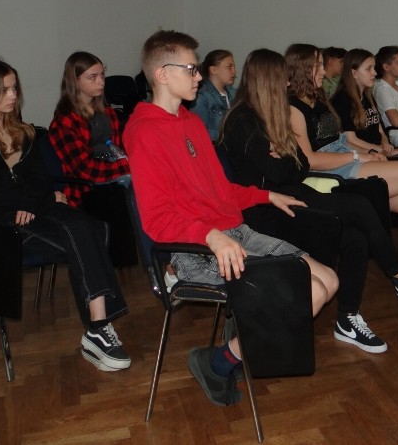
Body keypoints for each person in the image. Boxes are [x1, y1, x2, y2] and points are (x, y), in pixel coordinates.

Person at [124, 30, 338, 406]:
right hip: (194, 248)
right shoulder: (143, 132)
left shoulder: (189, 123)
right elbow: (156, 220)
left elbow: (219, 190)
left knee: (328, 280)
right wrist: (210, 236)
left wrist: (263, 194)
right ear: (161, 75)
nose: (198, 76)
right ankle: (218, 362)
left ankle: (230, 355)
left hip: (232, 232)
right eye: (191, 69)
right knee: (310, 291)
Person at [221, 49, 398, 353]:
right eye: (281, 78)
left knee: (356, 234)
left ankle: (348, 318)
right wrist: (285, 159)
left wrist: (283, 156)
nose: (286, 84)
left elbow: (297, 164)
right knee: (360, 207)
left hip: (291, 194)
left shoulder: (269, 113)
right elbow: (282, 169)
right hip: (267, 209)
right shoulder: (243, 120)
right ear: (268, 80)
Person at [0, 56, 130, 372]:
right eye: (5, 90)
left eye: (14, 88)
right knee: (84, 234)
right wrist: (38, 199)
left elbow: (40, 180)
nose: (13, 95)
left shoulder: (24, 132)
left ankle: (98, 327)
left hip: (33, 212)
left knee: (90, 226)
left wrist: (36, 201)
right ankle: (98, 330)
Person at [285, 43, 398, 263]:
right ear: (303, 69)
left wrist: (368, 152)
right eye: (319, 65)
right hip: (332, 173)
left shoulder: (318, 99)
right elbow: (309, 160)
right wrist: (357, 155)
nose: (325, 71)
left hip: (345, 160)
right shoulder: (293, 108)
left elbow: (343, 139)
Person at [48, 51, 130, 208]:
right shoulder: (65, 121)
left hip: (113, 175)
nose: (101, 82)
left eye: (102, 75)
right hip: (86, 189)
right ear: (75, 81)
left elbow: (119, 149)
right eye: (93, 77)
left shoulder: (108, 113)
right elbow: (85, 170)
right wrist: (130, 166)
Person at [330, 48, 398, 158]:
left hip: (377, 150)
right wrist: (381, 150)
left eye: (374, 68)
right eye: (369, 69)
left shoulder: (368, 95)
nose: (375, 73)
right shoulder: (342, 99)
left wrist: (386, 144)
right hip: (363, 154)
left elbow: (380, 130)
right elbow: (350, 139)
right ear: (354, 73)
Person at [190, 49, 237, 141]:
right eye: (229, 67)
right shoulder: (202, 97)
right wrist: (229, 133)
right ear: (214, 70)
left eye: (234, 67)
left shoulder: (235, 93)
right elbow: (198, 133)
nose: (234, 71)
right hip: (216, 151)